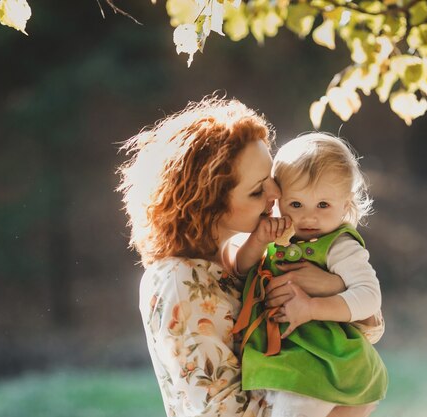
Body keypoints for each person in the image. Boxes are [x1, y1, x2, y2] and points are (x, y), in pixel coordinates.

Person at [117, 97, 372, 417]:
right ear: (209, 204)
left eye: (272, 180)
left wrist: (331, 284)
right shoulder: (179, 281)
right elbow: (219, 411)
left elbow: (369, 327)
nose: (277, 195)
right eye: (257, 191)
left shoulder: (250, 257)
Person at [231, 133, 388, 417]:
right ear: (278, 200)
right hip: (285, 361)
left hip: (325, 362)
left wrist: (313, 307)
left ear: (346, 204)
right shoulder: (274, 237)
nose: (309, 217)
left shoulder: (340, 246)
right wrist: (256, 243)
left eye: (323, 205)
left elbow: (369, 297)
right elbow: (240, 271)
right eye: (296, 204)